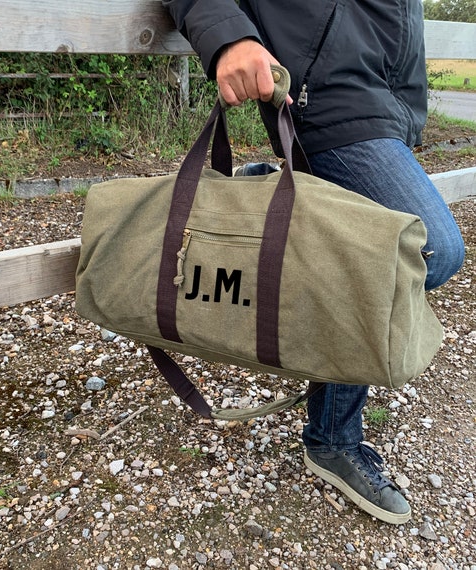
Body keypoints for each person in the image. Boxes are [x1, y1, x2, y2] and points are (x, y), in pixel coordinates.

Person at [162, 0, 465, 525]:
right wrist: (228, 35)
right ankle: (329, 430)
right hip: (326, 98)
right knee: (429, 249)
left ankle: (332, 432)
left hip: (380, 100)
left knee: (364, 260)